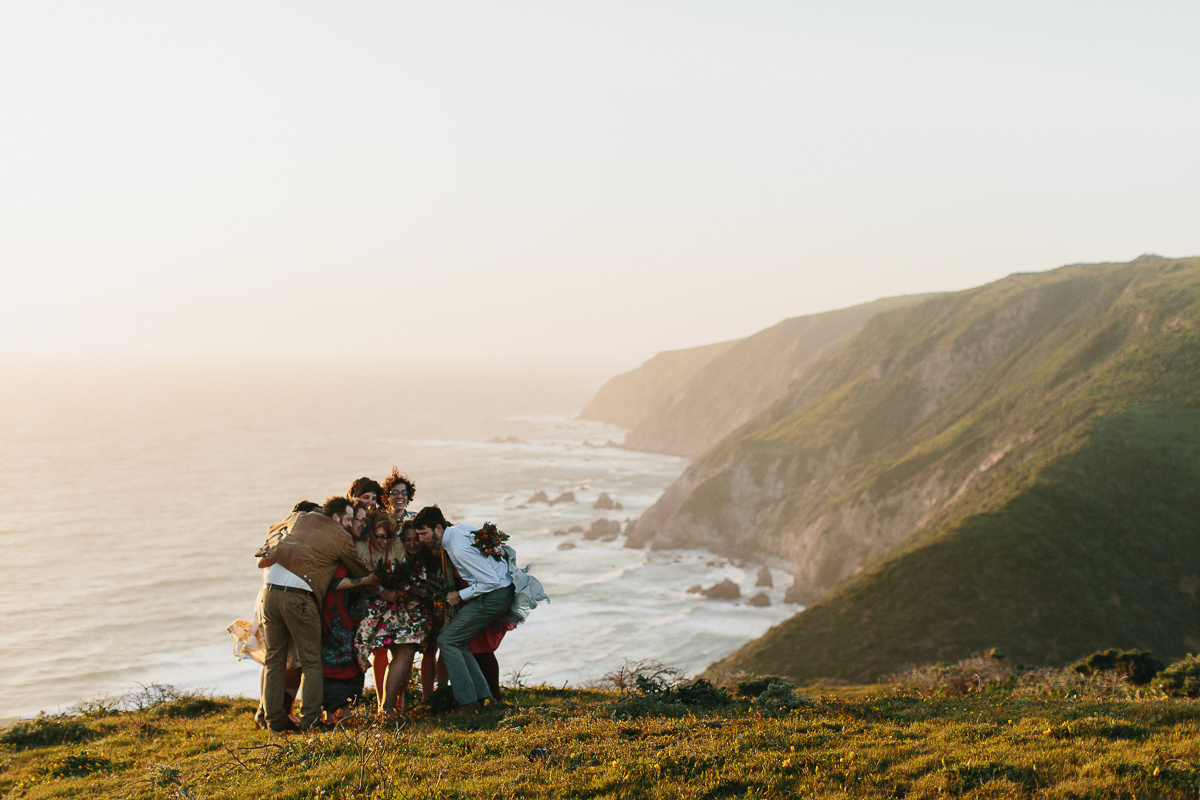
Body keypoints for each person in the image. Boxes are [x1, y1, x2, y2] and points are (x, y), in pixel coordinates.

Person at [257, 496, 370, 732]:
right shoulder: (339, 535)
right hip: (298, 597)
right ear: (336, 517)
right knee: (311, 660)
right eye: (348, 519)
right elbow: (356, 567)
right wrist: (369, 578)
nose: (350, 524)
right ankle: (310, 721)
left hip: (268, 592)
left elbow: (271, 536)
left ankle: (274, 721)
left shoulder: (297, 518)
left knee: (274, 660)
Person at [412, 506, 515, 715]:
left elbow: (491, 582)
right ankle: (479, 697)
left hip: (495, 596)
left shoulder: (458, 549)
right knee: (457, 640)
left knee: (447, 640)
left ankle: (468, 703)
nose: (420, 539)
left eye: (423, 533)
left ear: (438, 528)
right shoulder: (462, 529)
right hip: (499, 591)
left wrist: (460, 595)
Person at [354, 517, 435, 715]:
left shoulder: (428, 555)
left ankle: (396, 702)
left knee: (406, 656)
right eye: (408, 540)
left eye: (416, 539)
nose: (412, 544)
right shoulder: (383, 550)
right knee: (404, 652)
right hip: (393, 609)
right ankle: (386, 706)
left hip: (415, 610)